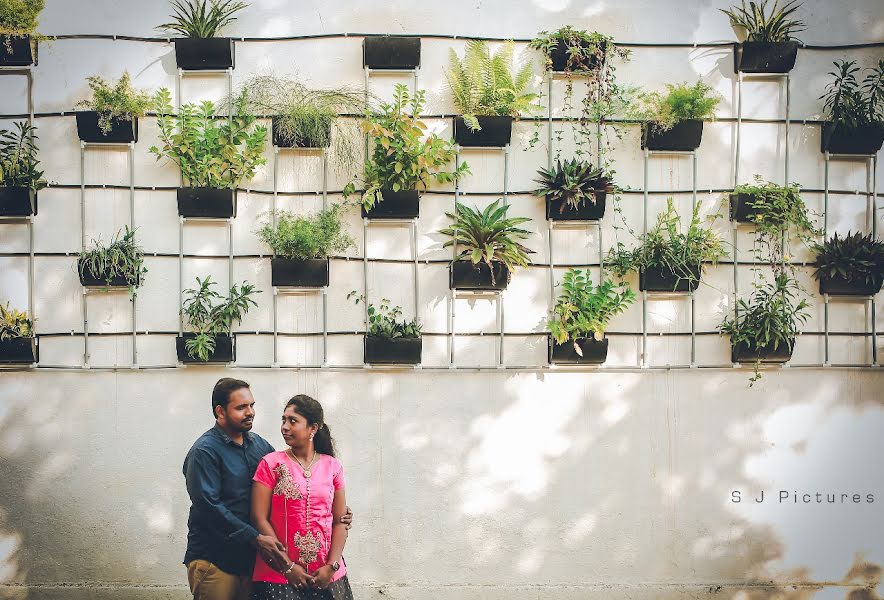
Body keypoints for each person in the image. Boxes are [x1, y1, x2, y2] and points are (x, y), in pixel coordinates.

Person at [183, 379, 351, 600]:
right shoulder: (204, 451)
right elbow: (209, 507)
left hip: (250, 559)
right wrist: (257, 538)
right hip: (216, 557)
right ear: (220, 411)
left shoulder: (259, 446)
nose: (250, 412)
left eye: (252, 405)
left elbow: (287, 486)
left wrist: (337, 512)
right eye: (241, 407)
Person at [250, 394, 354, 600]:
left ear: (313, 428)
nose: (285, 427)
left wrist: (331, 567)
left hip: (327, 575)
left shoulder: (332, 466)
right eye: (283, 420)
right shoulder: (271, 464)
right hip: (277, 575)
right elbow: (258, 518)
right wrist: (288, 567)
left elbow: (340, 521)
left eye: (293, 421)